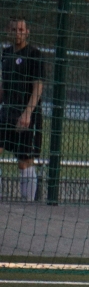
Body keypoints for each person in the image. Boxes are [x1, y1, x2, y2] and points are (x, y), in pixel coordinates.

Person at [0, 18, 44, 202]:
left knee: (25, 162)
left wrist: (27, 113)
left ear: (27, 32)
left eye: (21, 29)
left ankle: (29, 202)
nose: (17, 33)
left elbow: (38, 87)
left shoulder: (34, 54)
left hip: (27, 114)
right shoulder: (6, 53)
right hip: (7, 112)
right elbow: (3, 86)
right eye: (14, 29)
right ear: (8, 31)